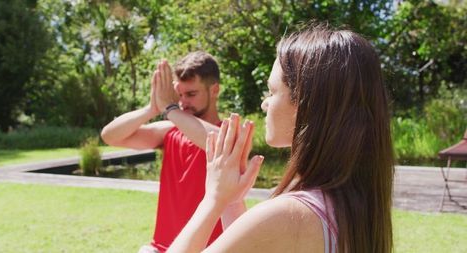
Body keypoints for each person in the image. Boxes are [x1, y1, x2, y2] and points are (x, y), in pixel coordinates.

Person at [166, 24, 395, 252]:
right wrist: (232, 201)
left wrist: (213, 200)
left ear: (304, 103)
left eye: (272, 92)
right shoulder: (349, 207)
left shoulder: (290, 215)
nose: (265, 103)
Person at [101, 51, 226, 253]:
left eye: (191, 94)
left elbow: (220, 143)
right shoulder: (169, 130)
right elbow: (110, 136)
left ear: (214, 90)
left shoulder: (227, 133)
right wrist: (151, 109)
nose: (183, 102)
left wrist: (170, 108)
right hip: (164, 248)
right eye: (180, 95)